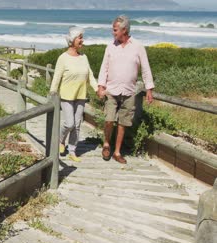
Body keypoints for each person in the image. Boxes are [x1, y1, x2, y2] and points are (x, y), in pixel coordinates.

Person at [97, 15, 154, 164]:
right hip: (111, 90)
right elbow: (104, 68)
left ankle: (117, 152)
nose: (113, 32)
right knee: (109, 120)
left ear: (124, 30)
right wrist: (100, 86)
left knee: (123, 123)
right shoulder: (110, 46)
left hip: (129, 92)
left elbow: (146, 68)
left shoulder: (138, 46)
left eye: (115, 30)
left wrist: (149, 89)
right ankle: (106, 143)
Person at [50, 26, 98, 162]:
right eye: (80, 37)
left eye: (82, 37)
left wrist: (97, 89)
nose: (82, 40)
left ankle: (72, 151)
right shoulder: (63, 58)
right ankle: (61, 140)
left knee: (77, 124)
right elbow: (56, 77)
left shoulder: (84, 57)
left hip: (80, 95)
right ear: (72, 40)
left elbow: (90, 75)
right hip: (66, 96)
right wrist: (52, 92)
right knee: (69, 123)